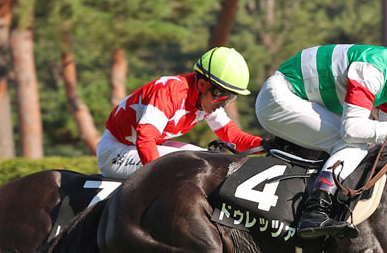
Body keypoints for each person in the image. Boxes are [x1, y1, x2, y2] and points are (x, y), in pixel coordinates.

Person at [255, 19, 387, 239]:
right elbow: (353, 130)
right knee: (355, 144)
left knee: (366, 141)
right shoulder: (372, 69)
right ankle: (315, 210)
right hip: (278, 98)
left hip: (299, 98)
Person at [96, 47, 262, 179]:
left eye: (230, 98)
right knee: (195, 166)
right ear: (202, 85)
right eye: (222, 95)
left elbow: (234, 138)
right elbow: (145, 138)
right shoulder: (171, 92)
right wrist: (159, 180)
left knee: (212, 161)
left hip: (142, 147)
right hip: (116, 151)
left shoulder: (206, 99)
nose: (222, 104)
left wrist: (266, 145)